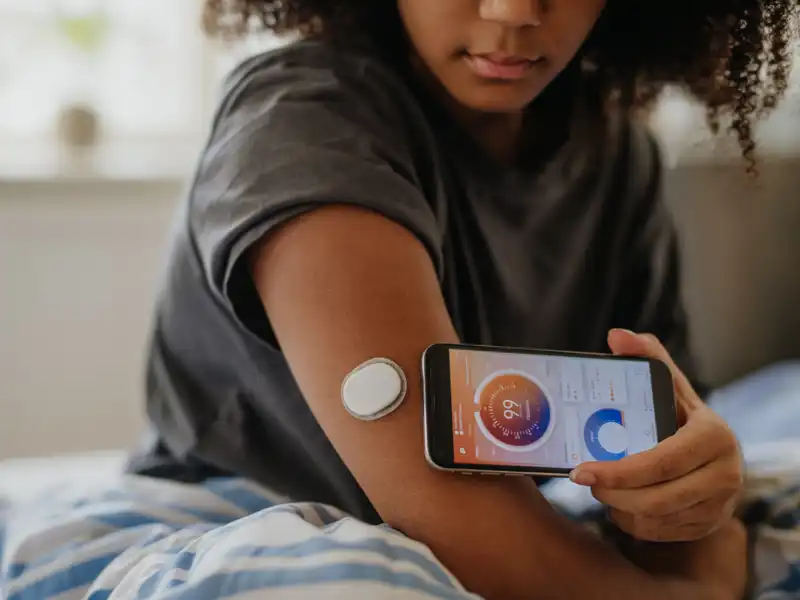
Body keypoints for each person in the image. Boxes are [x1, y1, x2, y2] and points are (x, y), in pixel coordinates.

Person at [128, 1, 797, 599]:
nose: (511, 12)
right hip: (245, 516)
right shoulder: (301, 122)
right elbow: (443, 501)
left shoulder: (619, 155)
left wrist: (692, 498)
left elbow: (664, 443)